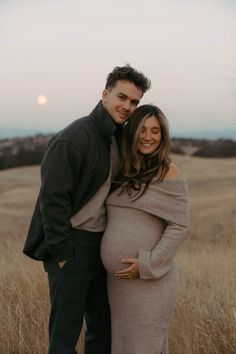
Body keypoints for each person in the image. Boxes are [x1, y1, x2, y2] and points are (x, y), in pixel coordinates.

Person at [23, 65, 151, 354]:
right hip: (72, 245)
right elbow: (52, 201)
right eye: (122, 97)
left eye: (134, 102)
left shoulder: (119, 137)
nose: (127, 106)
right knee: (64, 337)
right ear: (104, 94)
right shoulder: (73, 138)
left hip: (102, 247)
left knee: (102, 333)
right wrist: (63, 254)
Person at [101, 104, 189, 354]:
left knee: (144, 346)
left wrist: (147, 265)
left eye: (155, 131)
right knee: (125, 346)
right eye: (142, 130)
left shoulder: (168, 172)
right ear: (132, 132)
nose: (148, 137)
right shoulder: (123, 171)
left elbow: (179, 225)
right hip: (119, 285)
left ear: (163, 136)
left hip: (150, 282)